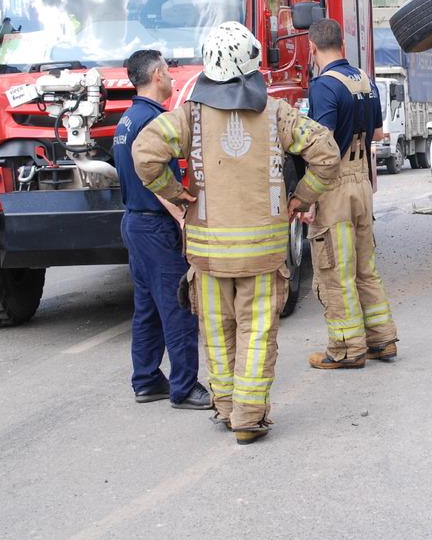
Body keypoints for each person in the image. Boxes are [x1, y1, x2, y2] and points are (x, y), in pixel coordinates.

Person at [133, 22, 340, 444]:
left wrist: (178, 195)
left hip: (207, 257)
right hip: (262, 255)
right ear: (252, 63)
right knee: (257, 332)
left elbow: (145, 155)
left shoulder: (187, 116)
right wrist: (301, 197)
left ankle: (226, 407)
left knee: (218, 331)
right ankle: (248, 417)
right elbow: (327, 154)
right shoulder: (278, 113)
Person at [113, 50, 210, 410]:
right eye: (168, 72)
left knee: (147, 307)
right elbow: (156, 180)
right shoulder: (154, 122)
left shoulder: (128, 119)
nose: (171, 79)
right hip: (155, 224)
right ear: (156, 74)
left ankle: (147, 379)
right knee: (177, 305)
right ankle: (184, 387)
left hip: (134, 223)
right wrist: (183, 214)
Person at [305, 18, 399, 369]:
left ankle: (346, 349)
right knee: (365, 266)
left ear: (313, 48)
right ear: (341, 44)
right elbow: (376, 133)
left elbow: (322, 143)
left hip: (336, 184)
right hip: (362, 181)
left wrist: (308, 193)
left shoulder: (324, 86)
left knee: (335, 269)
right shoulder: (365, 81)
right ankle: (382, 339)